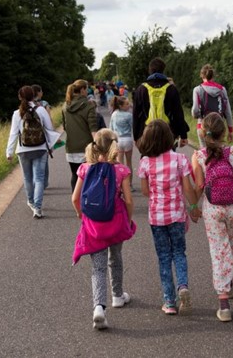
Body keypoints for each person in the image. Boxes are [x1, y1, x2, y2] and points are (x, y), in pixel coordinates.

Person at [191, 113, 233, 322]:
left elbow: (199, 187)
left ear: (202, 133)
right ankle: (230, 283)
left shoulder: (198, 156)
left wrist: (193, 206)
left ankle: (223, 301)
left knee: (219, 250)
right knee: (232, 246)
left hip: (213, 209)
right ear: (223, 134)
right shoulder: (232, 152)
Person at [71, 129, 135, 330]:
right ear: (114, 147)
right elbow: (129, 200)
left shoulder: (84, 169)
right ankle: (117, 295)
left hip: (93, 226)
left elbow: (75, 198)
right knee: (115, 258)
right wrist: (128, 218)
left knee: (97, 268)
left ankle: (99, 307)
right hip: (115, 222)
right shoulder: (121, 170)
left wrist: (83, 216)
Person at [137, 119, 201, 315]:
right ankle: (183, 286)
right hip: (177, 215)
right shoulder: (180, 160)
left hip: (157, 217)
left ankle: (169, 302)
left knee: (164, 257)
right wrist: (193, 206)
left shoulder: (145, 162)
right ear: (169, 138)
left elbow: (145, 191)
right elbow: (188, 188)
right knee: (179, 253)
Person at [6, 85, 60, 218]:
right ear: (33, 95)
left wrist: (9, 152)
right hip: (40, 148)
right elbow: (49, 129)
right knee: (39, 178)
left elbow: (13, 134)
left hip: (23, 149)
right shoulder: (41, 110)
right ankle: (38, 207)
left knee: (27, 177)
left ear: (20, 97)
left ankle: (30, 201)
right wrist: (50, 145)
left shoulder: (16, 113)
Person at [132, 57, 190, 148]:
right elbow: (178, 113)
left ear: (150, 70)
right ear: (163, 69)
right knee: (169, 155)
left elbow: (135, 114)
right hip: (168, 130)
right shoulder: (171, 89)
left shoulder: (141, 89)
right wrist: (183, 135)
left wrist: (136, 136)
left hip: (148, 131)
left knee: (148, 156)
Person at [62, 79, 98, 191]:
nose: (87, 91)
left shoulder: (65, 105)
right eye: (86, 89)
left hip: (71, 147)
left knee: (75, 175)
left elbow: (64, 127)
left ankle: (76, 201)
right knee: (89, 176)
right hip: (86, 147)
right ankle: (87, 203)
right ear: (82, 90)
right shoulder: (89, 105)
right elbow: (93, 129)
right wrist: (98, 146)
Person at [191, 64, 233, 148]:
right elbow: (228, 112)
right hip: (218, 127)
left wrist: (196, 115)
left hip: (202, 126)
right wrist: (230, 131)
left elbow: (195, 111)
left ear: (202, 75)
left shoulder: (197, 89)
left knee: (204, 154)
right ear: (213, 76)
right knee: (217, 152)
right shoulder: (222, 90)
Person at [109, 96, 134, 188]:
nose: (129, 105)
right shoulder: (129, 115)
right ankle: (129, 185)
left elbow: (110, 128)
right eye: (127, 104)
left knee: (119, 163)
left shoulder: (114, 114)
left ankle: (120, 185)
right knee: (129, 163)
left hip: (117, 140)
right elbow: (133, 128)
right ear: (121, 105)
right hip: (127, 139)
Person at [32, 84, 52, 189]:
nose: (42, 93)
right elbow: (48, 120)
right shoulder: (44, 104)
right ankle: (43, 183)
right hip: (42, 136)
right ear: (38, 93)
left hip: (29, 137)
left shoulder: (26, 105)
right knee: (44, 160)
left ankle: (35, 183)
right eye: (41, 91)